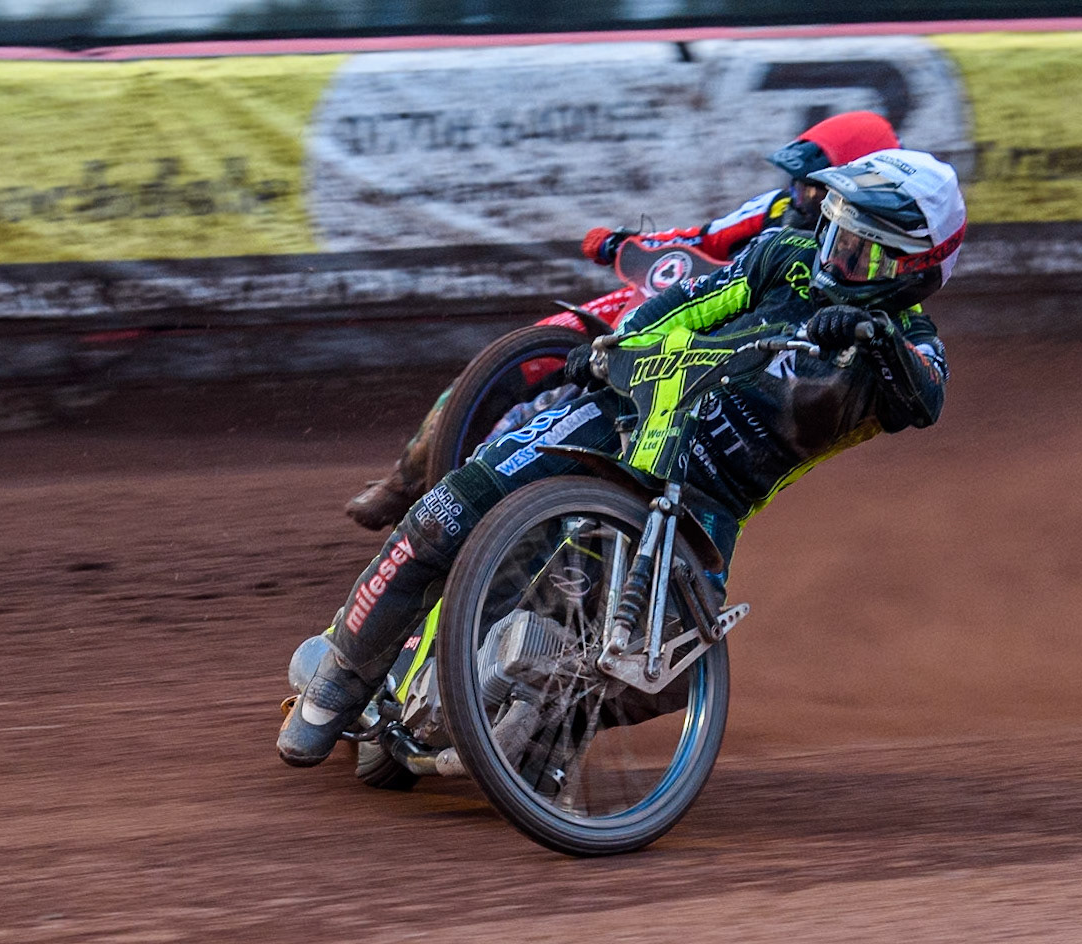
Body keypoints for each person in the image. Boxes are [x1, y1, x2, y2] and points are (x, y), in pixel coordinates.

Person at [279, 147, 967, 767]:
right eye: (838, 233)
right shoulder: (782, 255)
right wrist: (613, 347)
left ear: (913, 271)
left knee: (669, 666)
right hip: (620, 418)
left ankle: (544, 744)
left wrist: (874, 336)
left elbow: (924, 397)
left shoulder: (910, 344)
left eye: (861, 251)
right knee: (445, 513)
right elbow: (686, 305)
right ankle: (341, 674)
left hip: (708, 500)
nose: (835, 255)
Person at [343, 110, 901, 531]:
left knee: (605, 419)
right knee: (525, 351)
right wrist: (627, 243)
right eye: (799, 182)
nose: (800, 195)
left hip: (725, 350)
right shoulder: (775, 208)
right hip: (681, 300)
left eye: (812, 184)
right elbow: (703, 239)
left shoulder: (865, 261)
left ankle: (546, 516)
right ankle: (405, 481)